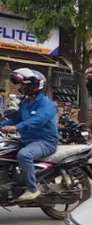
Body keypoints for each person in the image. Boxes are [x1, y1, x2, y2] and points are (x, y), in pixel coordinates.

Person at [0, 68, 59, 202]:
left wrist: (16, 127)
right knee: (5, 150)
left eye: (23, 84)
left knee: (24, 155)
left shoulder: (46, 104)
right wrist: (3, 124)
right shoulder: (26, 103)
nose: (19, 87)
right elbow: (16, 119)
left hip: (45, 142)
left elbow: (37, 120)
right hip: (27, 140)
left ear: (34, 85)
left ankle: (32, 189)